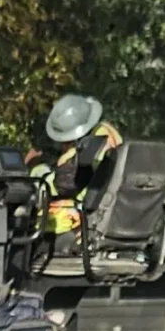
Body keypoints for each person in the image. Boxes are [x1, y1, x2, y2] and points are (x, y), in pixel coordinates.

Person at [26, 95, 124, 252]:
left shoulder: (83, 154)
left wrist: (33, 168)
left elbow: (62, 185)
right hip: (103, 214)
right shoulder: (107, 134)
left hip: (68, 225)